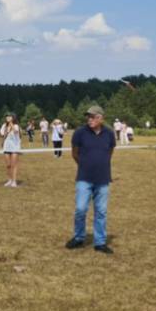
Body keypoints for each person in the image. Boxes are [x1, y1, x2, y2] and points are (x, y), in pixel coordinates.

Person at [65, 105, 115, 254]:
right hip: (84, 178)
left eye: (92, 117)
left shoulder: (109, 134)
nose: (89, 119)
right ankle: (79, 237)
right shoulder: (80, 133)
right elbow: (75, 153)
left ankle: (100, 242)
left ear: (101, 118)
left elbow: (110, 152)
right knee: (80, 209)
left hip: (103, 179)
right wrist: (85, 166)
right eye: (88, 116)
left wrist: (101, 166)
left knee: (101, 211)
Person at [0, 113, 22, 187]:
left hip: (15, 147)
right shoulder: (4, 126)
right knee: (8, 165)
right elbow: (1, 134)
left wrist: (10, 123)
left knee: (14, 165)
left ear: (13, 118)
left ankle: (14, 181)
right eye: (7, 117)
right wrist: (5, 130)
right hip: (6, 147)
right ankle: (9, 180)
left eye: (10, 117)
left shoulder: (16, 125)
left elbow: (15, 131)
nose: (8, 118)